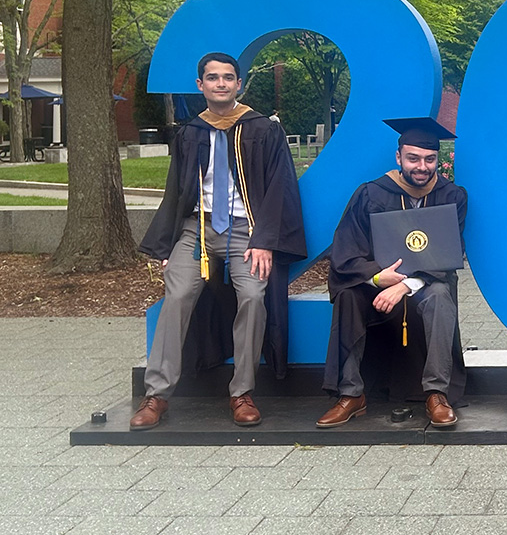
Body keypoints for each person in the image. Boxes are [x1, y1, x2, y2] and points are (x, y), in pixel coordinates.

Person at [132, 52, 305, 430]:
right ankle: (157, 394)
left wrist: (265, 240)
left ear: (239, 84)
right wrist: (167, 245)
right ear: (201, 85)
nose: (221, 84)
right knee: (176, 295)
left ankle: (241, 391)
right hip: (197, 229)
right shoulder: (191, 132)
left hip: (247, 231)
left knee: (253, 297)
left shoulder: (263, 129)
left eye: (228, 78)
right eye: (213, 78)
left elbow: (280, 189)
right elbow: (176, 191)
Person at [318, 116, 468, 428]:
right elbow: (346, 252)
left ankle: (437, 393)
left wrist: (405, 285)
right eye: (413, 158)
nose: (422, 167)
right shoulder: (371, 194)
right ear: (398, 157)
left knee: (440, 295)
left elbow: (446, 257)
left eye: (430, 159)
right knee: (347, 295)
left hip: (426, 284)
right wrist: (376, 277)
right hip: (377, 285)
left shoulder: (452, 196)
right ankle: (351, 394)